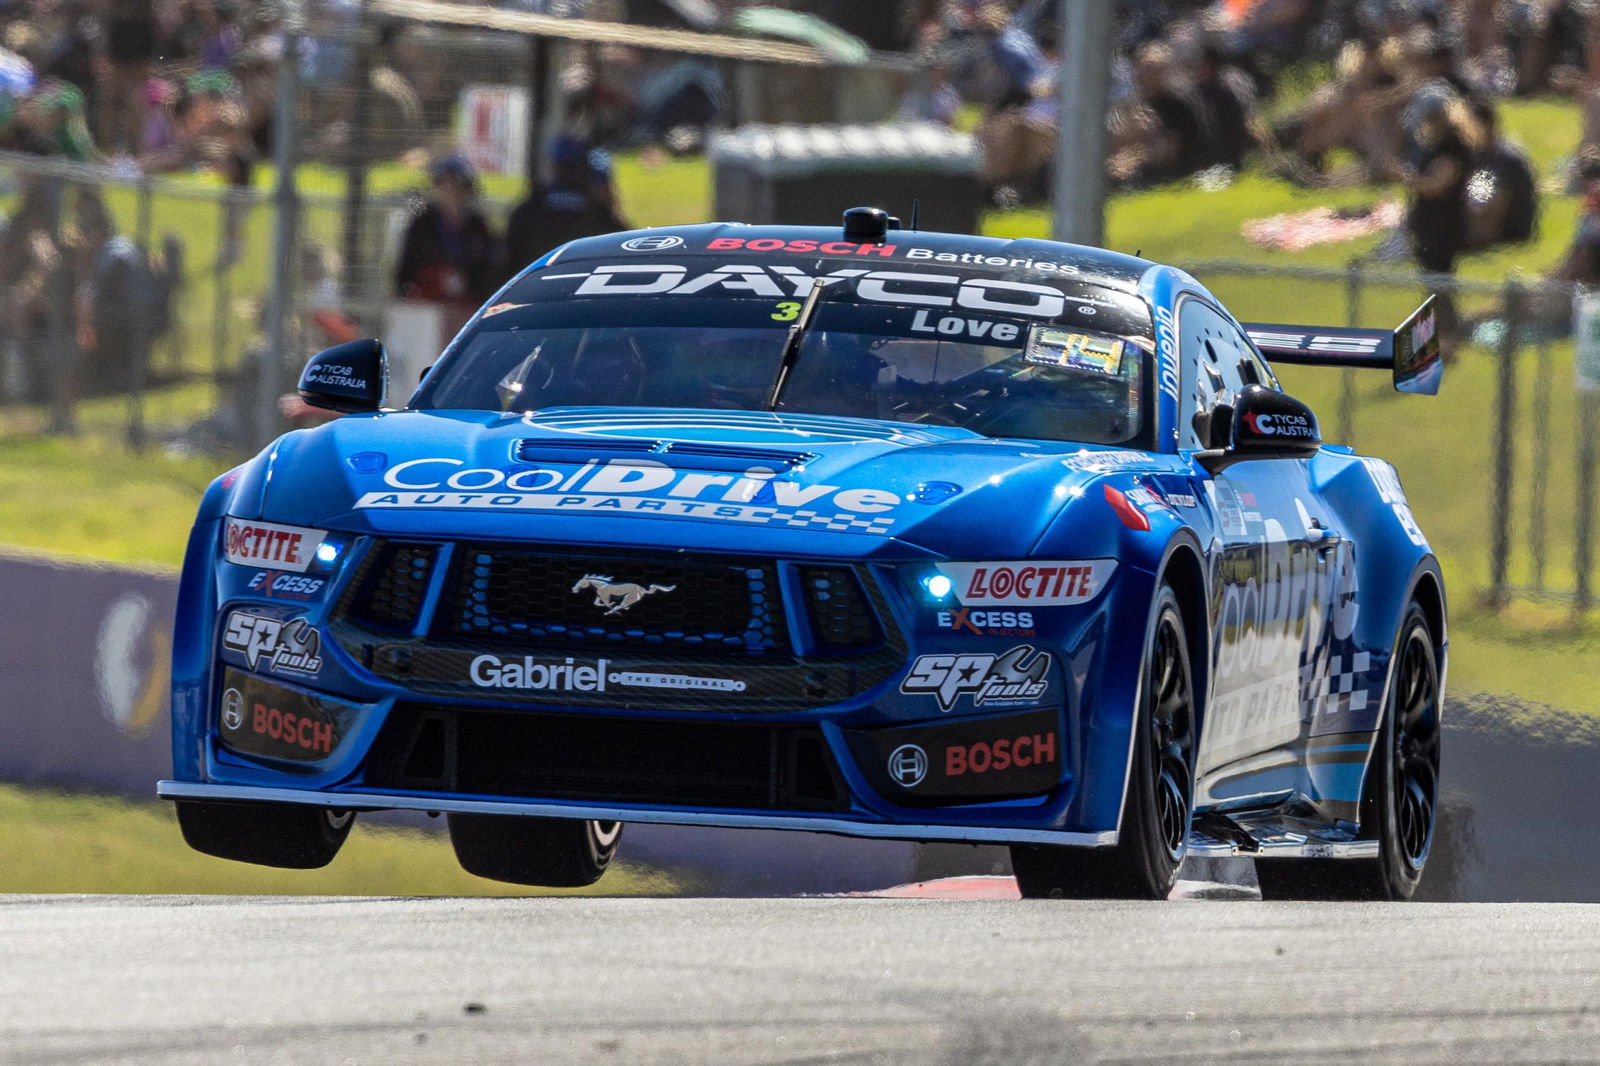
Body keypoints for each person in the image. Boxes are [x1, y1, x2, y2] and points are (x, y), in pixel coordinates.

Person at [502, 135, 626, 281]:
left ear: (553, 166)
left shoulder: (528, 210)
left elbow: (509, 261)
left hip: (532, 289)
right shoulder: (598, 214)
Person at [395, 154, 498, 317]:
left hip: (466, 305)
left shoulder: (478, 227)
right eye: (445, 186)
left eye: (458, 187)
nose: (452, 193)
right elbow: (407, 267)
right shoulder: (423, 225)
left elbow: (487, 268)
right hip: (427, 305)